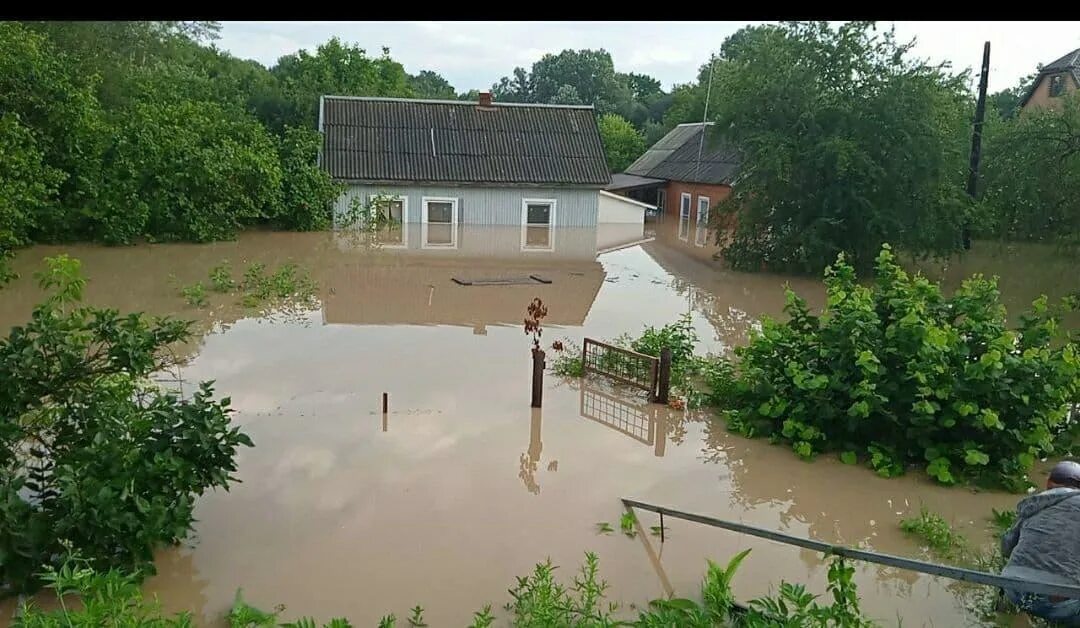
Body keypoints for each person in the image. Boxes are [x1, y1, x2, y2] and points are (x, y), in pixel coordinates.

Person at [1001, 460, 1080, 625]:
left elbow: (1006, 548)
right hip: (1058, 602)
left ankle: (1014, 615)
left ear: (1048, 483)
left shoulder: (1034, 505)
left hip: (1014, 592)